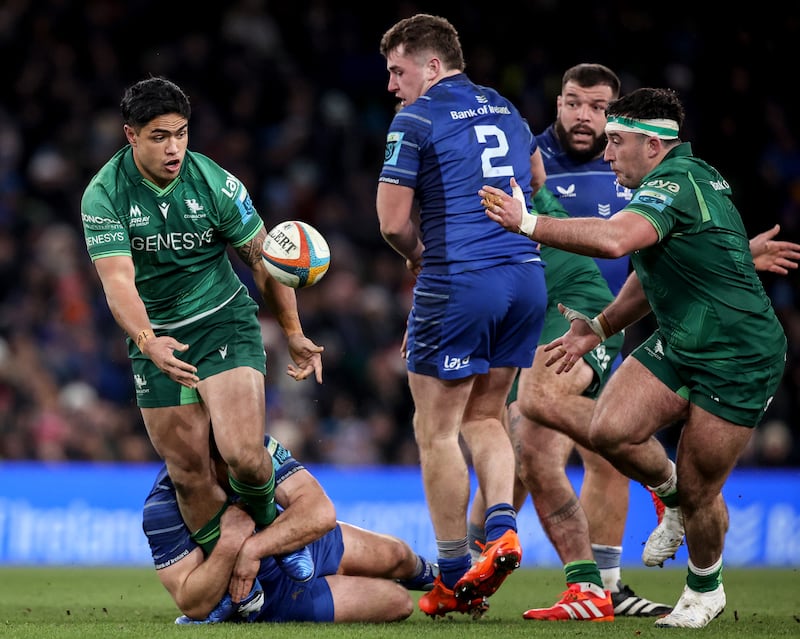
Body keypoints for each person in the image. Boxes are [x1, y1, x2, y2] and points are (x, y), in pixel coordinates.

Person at [481, 87, 789, 628]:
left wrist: (527, 222)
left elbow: (615, 243)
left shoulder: (673, 185)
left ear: (653, 145)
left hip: (736, 355)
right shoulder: (675, 181)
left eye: (616, 141)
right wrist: (596, 329)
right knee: (609, 430)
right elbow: (647, 281)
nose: (606, 153)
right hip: (681, 337)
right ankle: (669, 495)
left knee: (701, 490)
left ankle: (704, 588)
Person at [81, 77, 324, 563]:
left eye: (182, 133)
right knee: (189, 472)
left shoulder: (216, 184)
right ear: (130, 135)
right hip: (155, 336)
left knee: (243, 454)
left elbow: (263, 260)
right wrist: (148, 340)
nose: (175, 148)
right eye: (159, 137)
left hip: (221, 320)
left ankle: (271, 544)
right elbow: (119, 283)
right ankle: (238, 587)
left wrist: (294, 332)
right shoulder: (103, 196)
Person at [468, 63, 673, 621]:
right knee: (525, 458)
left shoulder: (636, 165)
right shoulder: (525, 158)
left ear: (616, 113)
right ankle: (474, 562)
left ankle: (602, 584)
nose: (586, 117)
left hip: (604, 327)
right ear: (557, 103)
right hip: (536, 330)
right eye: (575, 103)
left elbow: (670, 241)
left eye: (600, 107)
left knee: (590, 450)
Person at [376, 14, 548, 617]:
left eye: (398, 71)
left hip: (460, 278)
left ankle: (451, 574)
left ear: (431, 65)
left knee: (436, 429)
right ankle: (500, 528)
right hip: (525, 277)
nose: (393, 85)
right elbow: (534, 180)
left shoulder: (415, 119)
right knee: (487, 415)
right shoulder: (503, 106)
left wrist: (418, 257)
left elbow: (392, 222)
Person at [143, 434, 437, 623]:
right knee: (398, 603)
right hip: (275, 596)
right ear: (214, 465)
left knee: (398, 554)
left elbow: (320, 511)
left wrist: (253, 548)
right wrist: (231, 543)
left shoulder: (252, 447)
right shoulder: (162, 505)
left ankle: (443, 580)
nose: (255, 475)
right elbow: (191, 601)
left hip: (300, 543)